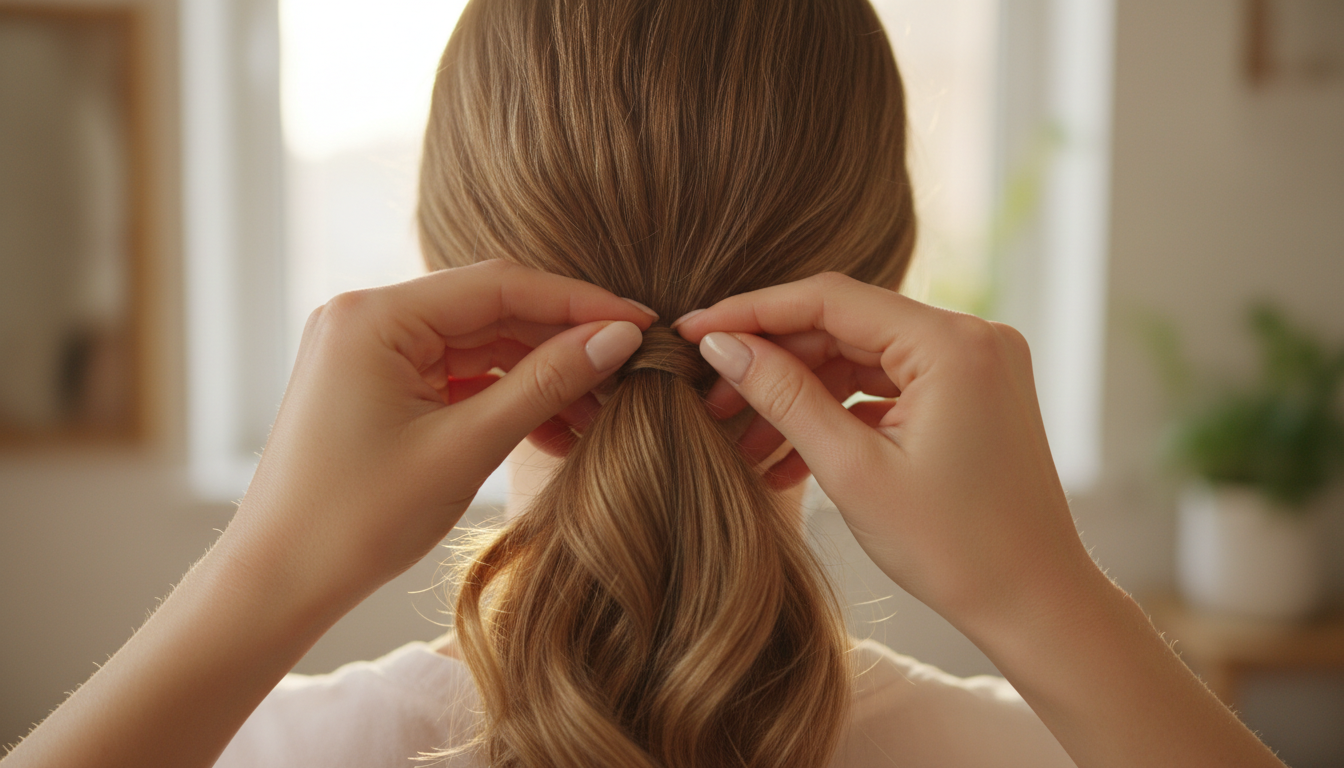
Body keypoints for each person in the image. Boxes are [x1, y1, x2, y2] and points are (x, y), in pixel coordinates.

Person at [2, 1, 1287, 767]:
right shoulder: (1053, 752)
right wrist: (1046, 601)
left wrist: (262, 581)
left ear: (452, 285)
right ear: (880, 287)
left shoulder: (259, 753)